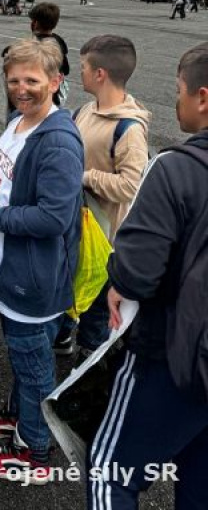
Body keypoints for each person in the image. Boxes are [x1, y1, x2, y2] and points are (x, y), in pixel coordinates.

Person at [87, 42, 208, 510]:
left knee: (109, 471)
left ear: (202, 96)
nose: (174, 102)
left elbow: (137, 274)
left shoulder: (176, 168)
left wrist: (118, 275)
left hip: (170, 357)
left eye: (178, 91)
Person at [0, 38, 83, 483]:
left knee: (35, 371)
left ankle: (34, 450)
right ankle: (16, 416)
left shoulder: (58, 142)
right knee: (22, 358)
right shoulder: (18, 123)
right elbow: (13, 188)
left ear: (56, 81)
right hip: (12, 269)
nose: (21, 88)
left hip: (35, 283)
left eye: (32, 80)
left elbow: (54, 216)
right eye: (14, 80)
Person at [54, 35, 151, 358]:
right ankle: (65, 336)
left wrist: (83, 177)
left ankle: (90, 363)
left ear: (100, 74)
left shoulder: (129, 129)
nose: (77, 73)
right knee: (69, 292)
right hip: (76, 228)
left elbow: (130, 186)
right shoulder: (84, 110)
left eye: (82, 67)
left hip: (103, 240)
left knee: (96, 311)